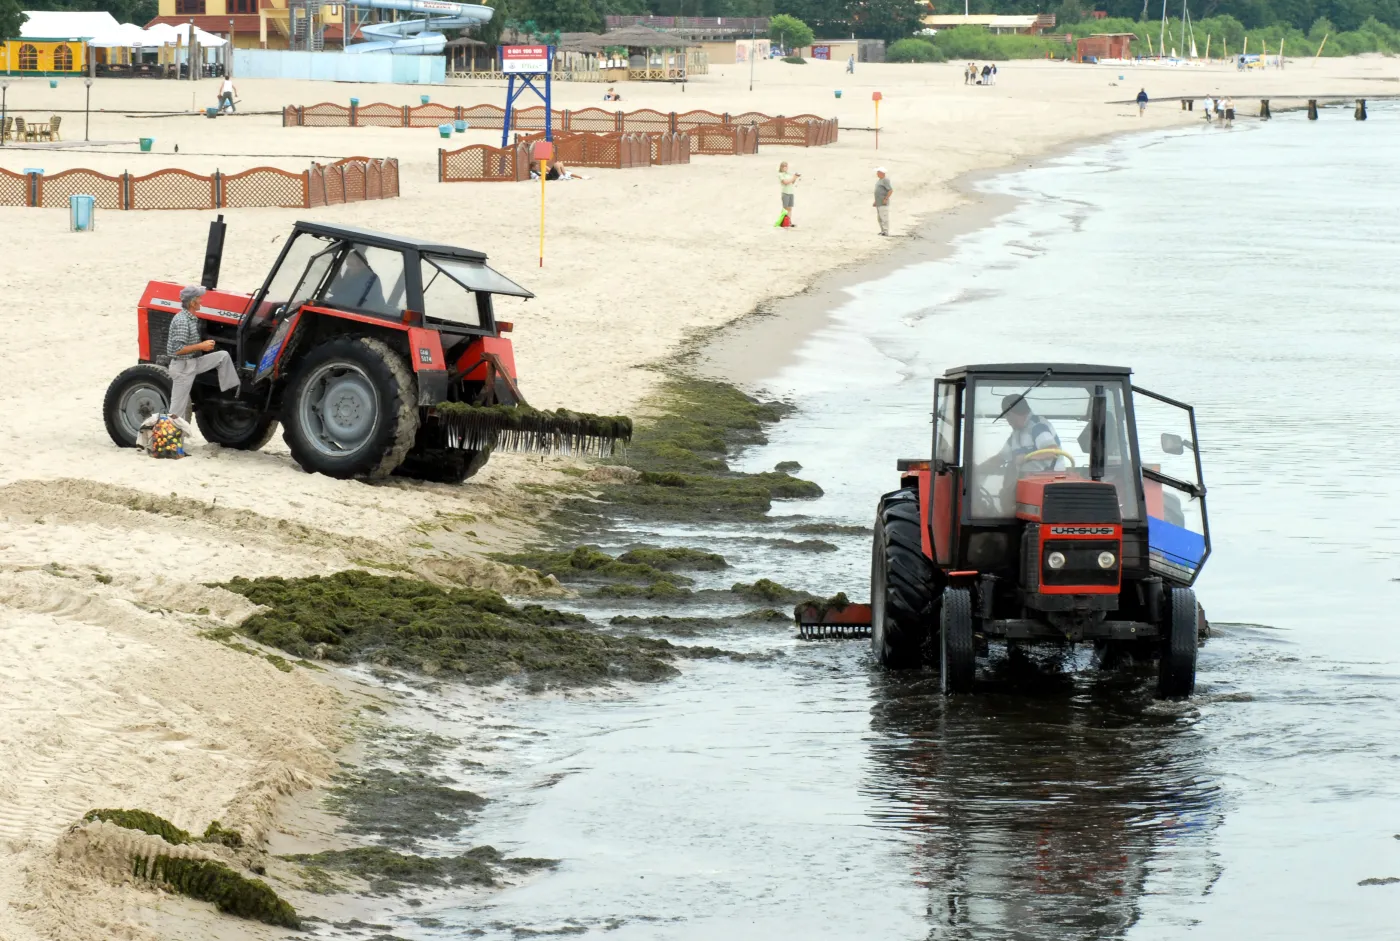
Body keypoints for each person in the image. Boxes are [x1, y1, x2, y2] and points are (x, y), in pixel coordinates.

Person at [166, 285, 239, 421]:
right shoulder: (182, 321)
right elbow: (177, 350)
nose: (201, 301)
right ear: (192, 302)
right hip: (183, 368)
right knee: (176, 411)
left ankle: (231, 393)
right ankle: (171, 433)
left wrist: (204, 346)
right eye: (199, 298)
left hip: (193, 362)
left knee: (223, 356)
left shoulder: (191, 318)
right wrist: (201, 346)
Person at [977, 394, 1068, 479]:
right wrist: (976, 470)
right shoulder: (1016, 435)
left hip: (1050, 482)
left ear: (1016, 412)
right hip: (1028, 481)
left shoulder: (1037, 426)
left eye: (1007, 416)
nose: (1007, 421)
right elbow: (1000, 458)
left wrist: (1026, 458)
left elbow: (1053, 451)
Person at [778, 161, 799, 226]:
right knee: (785, 208)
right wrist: (793, 178)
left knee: (790, 208)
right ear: (781, 167)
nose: (785, 168)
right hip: (785, 192)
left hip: (791, 192)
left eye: (786, 166)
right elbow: (785, 182)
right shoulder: (781, 174)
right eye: (784, 167)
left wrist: (795, 178)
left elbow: (792, 182)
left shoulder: (788, 174)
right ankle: (781, 221)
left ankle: (788, 222)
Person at [874, 167, 892, 236]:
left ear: (882, 173)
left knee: (884, 217)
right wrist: (875, 201)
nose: (877, 174)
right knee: (880, 218)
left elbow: (890, 190)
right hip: (879, 202)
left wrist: (885, 199)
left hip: (883, 202)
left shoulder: (885, 180)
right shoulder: (880, 180)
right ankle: (882, 231)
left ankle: (885, 231)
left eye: (878, 173)